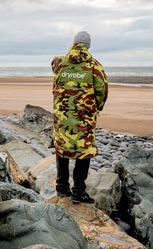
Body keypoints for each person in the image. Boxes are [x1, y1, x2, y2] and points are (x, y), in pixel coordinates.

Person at [51, 31, 108, 203]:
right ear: (87, 45)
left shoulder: (59, 62)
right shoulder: (94, 66)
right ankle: (78, 191)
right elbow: (102, 90)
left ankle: (61, 188)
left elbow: (56, 71)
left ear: (74, 43)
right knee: (84, 150)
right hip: (84, 116)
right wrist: (97, 107)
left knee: (62, 146)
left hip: (62, 115)